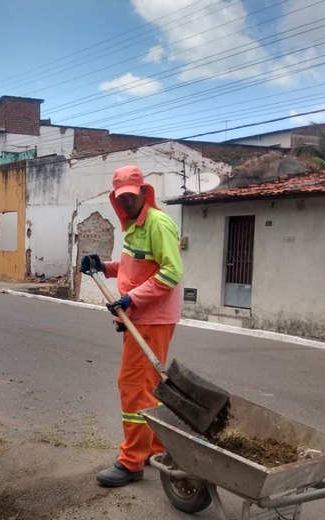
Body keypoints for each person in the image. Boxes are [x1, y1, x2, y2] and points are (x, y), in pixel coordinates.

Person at [80, 165, 183, 488]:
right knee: (148, 387)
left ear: (143, 193)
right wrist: (102, 266)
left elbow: (171, 272)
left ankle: (131, 462)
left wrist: (132, 300)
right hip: (139, 316)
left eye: (131, 197)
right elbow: (133, 267)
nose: (126, 203)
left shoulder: (157, 223)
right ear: (116, 198)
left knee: (133, 387)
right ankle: (154, 447)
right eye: (121, 198)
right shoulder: (135, 227)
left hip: (151, 318)